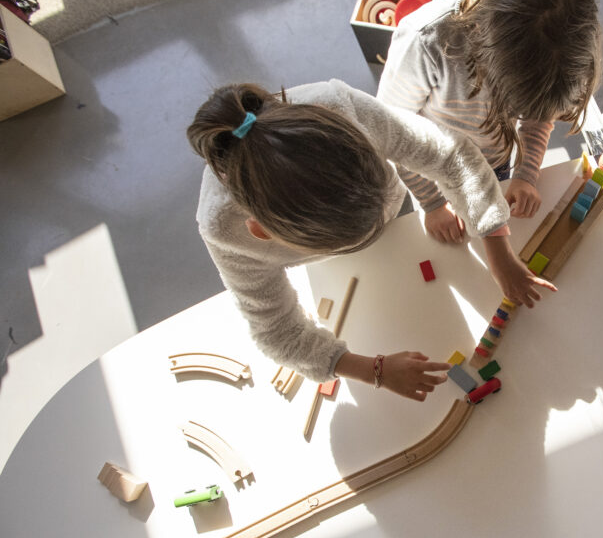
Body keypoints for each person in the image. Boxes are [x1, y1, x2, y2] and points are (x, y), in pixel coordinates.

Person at [187, 80, 554, 400]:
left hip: (398, 236)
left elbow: (449, 154)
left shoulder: (340, 106)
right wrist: (371, 369)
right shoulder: (223, 229)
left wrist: (495, 241)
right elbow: (276, 329)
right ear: (261, 232)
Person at [377, 0, 603, 242]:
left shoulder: (554, 49)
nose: (518, 113)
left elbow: (539, 114)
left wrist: (526, 172)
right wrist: (433, 204)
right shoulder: (422, 42)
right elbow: (395, 134)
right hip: (433, 172)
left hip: (495, 161)